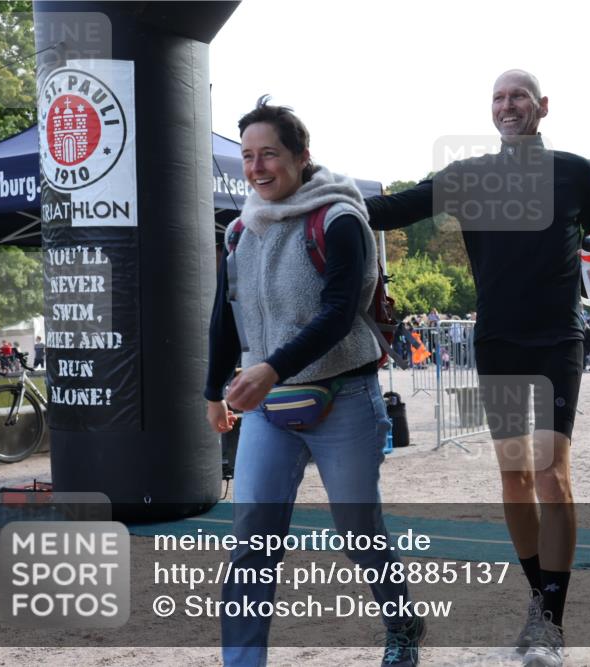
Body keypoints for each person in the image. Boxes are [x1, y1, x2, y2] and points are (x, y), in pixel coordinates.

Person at [365, 69, 590, 666]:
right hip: (499, 340)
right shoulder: (469, 175)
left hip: (558, 337)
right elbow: (393, 208)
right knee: (514, 476)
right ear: (492, 111)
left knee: (552, 472)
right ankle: (540, 598)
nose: (508, 106)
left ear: (543, 107)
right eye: (499, 98)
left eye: (519, 96)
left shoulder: (574, 170)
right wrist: (315, 192)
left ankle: (550, 625)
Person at [204, 97, 424, 667]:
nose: (256, 168)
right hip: (267, 406)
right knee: (252, 540)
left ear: (302, 156)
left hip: (343, 397)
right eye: (249, 157)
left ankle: (402, 623)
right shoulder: (238, 231)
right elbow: (225, 314)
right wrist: (211, 392)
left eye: (269, 154)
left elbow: (336, 313)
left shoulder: (340, 218)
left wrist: (271, 366)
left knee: (357, 530)